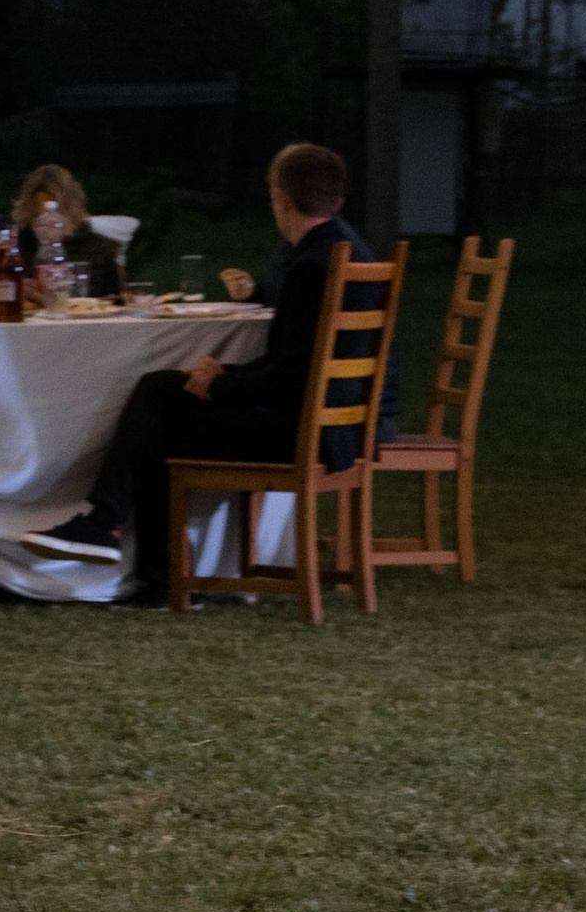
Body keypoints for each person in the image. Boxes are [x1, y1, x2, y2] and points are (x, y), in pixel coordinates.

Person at [44, 142, 380, 602]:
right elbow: (298, 362)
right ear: (335, 197)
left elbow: (292, 378)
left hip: (303, 432)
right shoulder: (351, 251)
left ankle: (142, 561)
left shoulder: (313, 265)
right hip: (338, 426)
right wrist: (224, 373)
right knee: (159, 390)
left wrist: (223, 383)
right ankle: (114, 531)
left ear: (281, 198)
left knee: (159, 420)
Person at [8, 161, 123, 301]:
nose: (48, 224)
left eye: (56, 216)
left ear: (72, 210)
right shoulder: (16, 248)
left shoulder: (99, 248)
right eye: (40, 217)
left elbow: (115, 303)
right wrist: (15, 291)